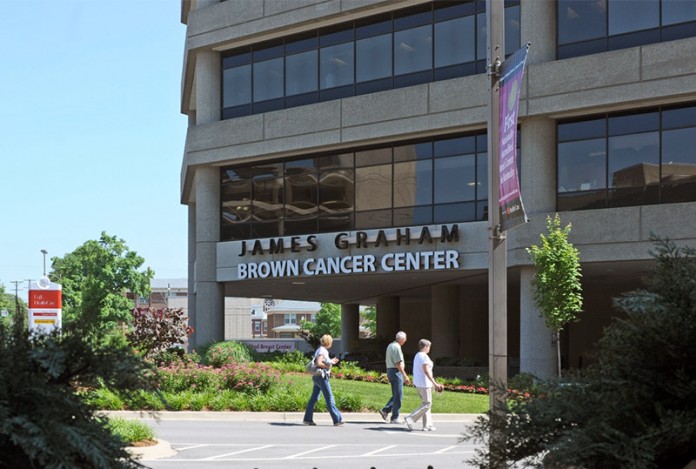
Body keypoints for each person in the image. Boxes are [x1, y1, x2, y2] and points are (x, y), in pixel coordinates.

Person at [303, 334, 344, 426]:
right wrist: (327, 366)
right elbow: (319, 363)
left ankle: (307, 419)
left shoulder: (319, 349)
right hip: (322, 377)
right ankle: (337, 419)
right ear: (328, 342)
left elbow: (321, 360)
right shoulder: (323, 351)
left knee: (314, 398)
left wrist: (331, 360)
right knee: (329, 398)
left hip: (317, 377)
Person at [404, 339, 443, 432]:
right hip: (424, 384)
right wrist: (434, 383)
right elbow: (426, 371)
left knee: (426, 404)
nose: (429, 348)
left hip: (419, 383)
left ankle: (427, 425)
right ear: (425, 347)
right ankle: (411, 418)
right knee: (427, 404)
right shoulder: (424, 357)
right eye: (429, 346)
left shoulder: (417, 355)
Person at [379, 331, 411, 424]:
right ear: (401, 339)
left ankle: (385, 411)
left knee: (396, 394)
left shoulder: (390, 346)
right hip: (396, 372)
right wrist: (405, 375)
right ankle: (394, 417)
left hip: (390, 370)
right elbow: (398, 363)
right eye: (405, 339)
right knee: (398, 395)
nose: (405, 341)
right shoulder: (397, 347)